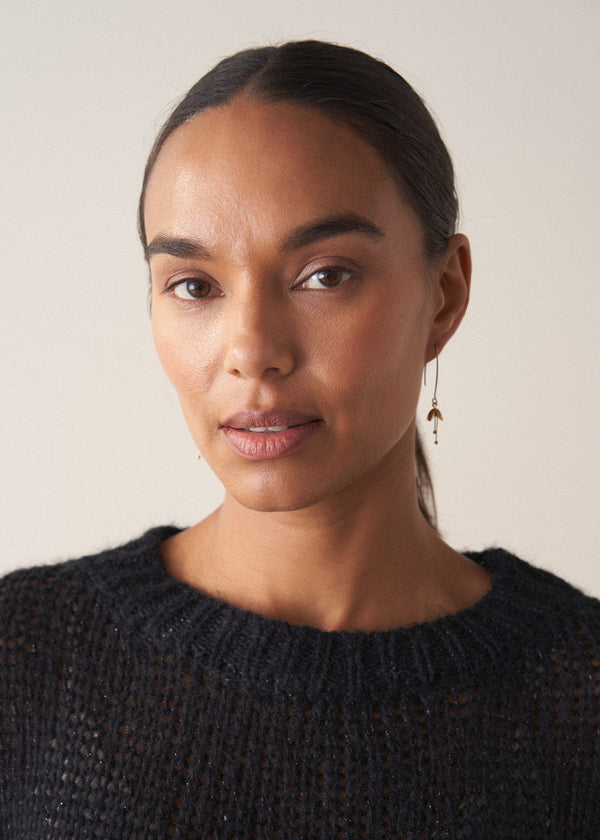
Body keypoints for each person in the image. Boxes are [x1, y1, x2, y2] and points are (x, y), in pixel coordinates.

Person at [1, 40, 599, 839]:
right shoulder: (27, 655)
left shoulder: (579, 691)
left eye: (325, 275)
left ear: (445, 295)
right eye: (194, 286)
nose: (251, 350)